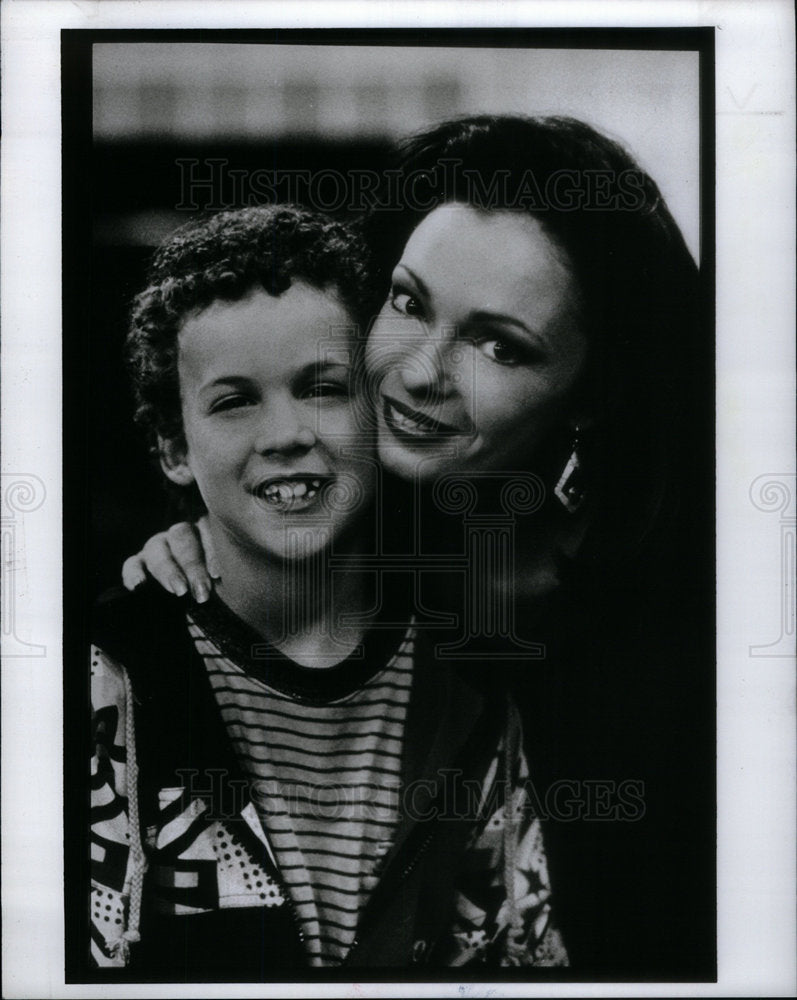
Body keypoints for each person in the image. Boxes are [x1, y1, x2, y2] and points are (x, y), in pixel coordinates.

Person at [123, 116, 714, 978]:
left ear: (592, 393)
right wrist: (208, 545)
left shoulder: (675, 632)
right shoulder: (351, 529)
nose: (416, 370)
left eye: (497, 345)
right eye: (407, 302)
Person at [89, 203, 569, 976]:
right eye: (235, 400)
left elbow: (521, 959)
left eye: (321, 387)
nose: (285, 434)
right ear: (175, 447)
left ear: (380, 409)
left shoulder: (470, 683)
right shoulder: (107, 682)